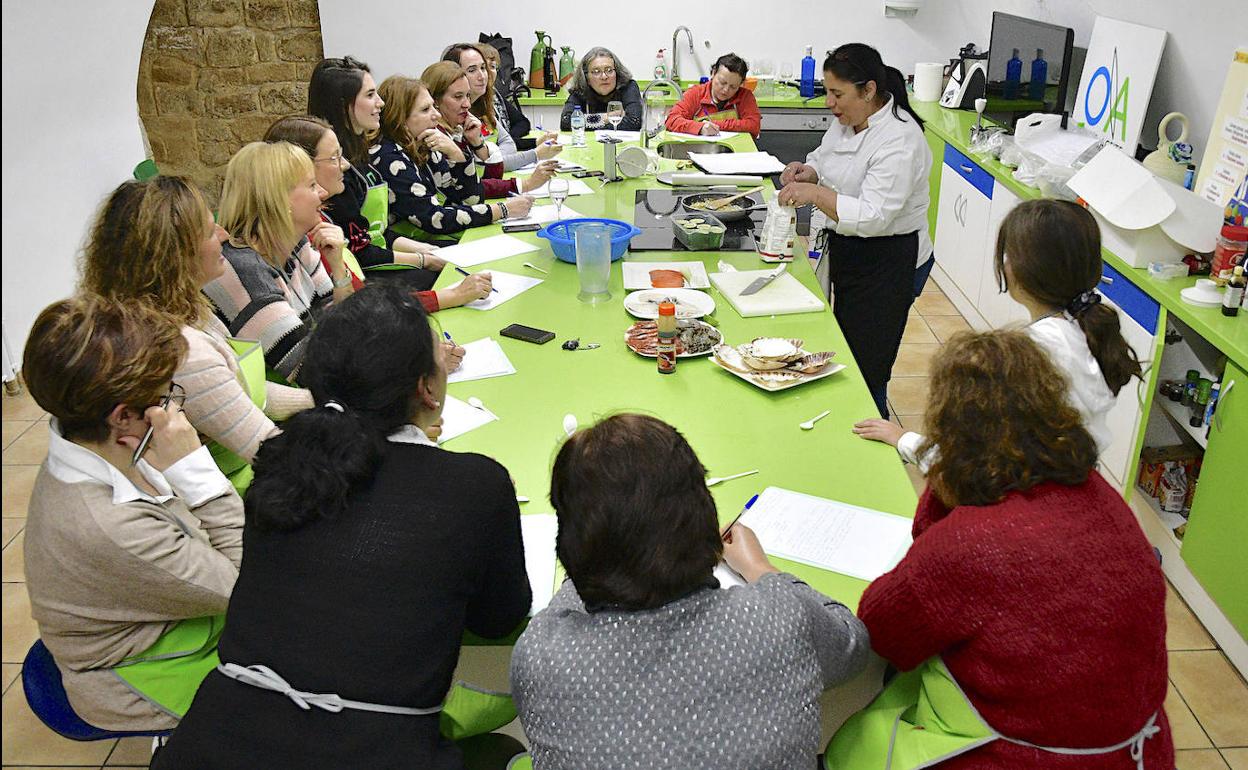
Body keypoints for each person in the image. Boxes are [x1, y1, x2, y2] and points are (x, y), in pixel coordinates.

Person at [153, 285, 531, 770]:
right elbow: (500, 619)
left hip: (212, 743)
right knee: (504, 751)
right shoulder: (474, 483)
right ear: (426, 389)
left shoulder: (280, 463)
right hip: (365, 750)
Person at [825, 330, 1173, 770]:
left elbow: (884, 630)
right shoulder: (1098, 492)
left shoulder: (972, 541)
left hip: (1022, 755)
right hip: (1138, 749)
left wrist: (944, 487)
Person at [511, 413, 870, 770]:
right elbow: (852, 644)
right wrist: (761, 569)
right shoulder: (780, 616)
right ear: (704, 514)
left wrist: (594, 567)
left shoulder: (541, 654)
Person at [22, 296, 242, 731]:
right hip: (132, 675)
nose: (174, 408)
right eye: (165, 397)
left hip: (160, 618)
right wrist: (197, 472)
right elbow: (246, 585)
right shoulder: (106, 525)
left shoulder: (95, 441)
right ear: (123, 417)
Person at [854, 199, 1138, 472]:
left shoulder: (1027, 355)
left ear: (1023, 269)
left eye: (1007, 255)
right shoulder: (1084, 328)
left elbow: (969, 465)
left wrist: (904, 440)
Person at [79, 176, 314, 489]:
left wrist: (321, 399)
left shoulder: (177, 309)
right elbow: (271, 452)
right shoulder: (183, 352)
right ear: (174, 257)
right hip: (234, 493)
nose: (224, 234)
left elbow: (238, 395)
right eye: (208, 231)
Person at [777, 43, 931, 418]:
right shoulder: (848, 120)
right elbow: (826, 158)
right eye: (828, 92)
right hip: (853, 250)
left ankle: (875, 447)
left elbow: (875, 215)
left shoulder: (900, 141)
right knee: (843, 348)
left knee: (867, 367)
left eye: (837, 93)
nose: (830, 102)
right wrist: (809, 171)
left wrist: (815, 192)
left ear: (869, 90)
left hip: (890, 259)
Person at [264, 114, 492, 314]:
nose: (344, 165)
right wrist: (450, 294)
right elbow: (360, 309)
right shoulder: (306, 233)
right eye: (334, 158)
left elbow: (349, 304)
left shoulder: (316, 224)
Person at [203, 141, 351, 385]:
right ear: (280, 200)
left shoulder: (298, 242)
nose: (323, 193)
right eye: (312, 185)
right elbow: (308, 370)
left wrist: (338, 267)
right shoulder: (242, 269)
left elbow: (343, 319)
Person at [306, 56, 445, 289]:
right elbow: (359, 249)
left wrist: (425, 251)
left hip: (379, 256)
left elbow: (374, 232)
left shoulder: (360, 154)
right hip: (363, 273)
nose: (380, 103)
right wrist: (423, 260)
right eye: (370, 95)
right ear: (343, 105)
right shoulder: (334, 172)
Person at [370, 75, 533, 242]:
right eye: (425, 110)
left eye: (434, 107)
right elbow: (435, 219)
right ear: (400, 119)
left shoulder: (426, 143)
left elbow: (471, 200)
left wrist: (457, 155)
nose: (436, 115)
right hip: (414, 245)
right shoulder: (388, 157)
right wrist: (502, 210)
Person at [422, 61, 553, 198]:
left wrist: (478, 144)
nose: (467, 104)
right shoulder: (434, 139)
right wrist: (525, 184)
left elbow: (492, 178)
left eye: (467, 95)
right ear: (434, 101)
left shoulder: (458, 130)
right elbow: (469, 192)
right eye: (458, 97)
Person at [443, 42, 562, 171]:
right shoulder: (456, 114)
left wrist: (495, 157)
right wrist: (536, 154)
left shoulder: (484, 103)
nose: (482, 76)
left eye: (483, 68)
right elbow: (485, 167)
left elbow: (508, 142)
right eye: (472, 70)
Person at [665, 53, 761, 138]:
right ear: (713, 73)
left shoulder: (745, 96)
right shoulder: (696, 94)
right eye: (722, 82)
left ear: (741, 84)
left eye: (733, 87)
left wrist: (714, 124)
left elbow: (753, 126)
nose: (726, 90)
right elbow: (672, 120)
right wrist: (700, 127)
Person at [559, 47, 642, 131]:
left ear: (617, 72)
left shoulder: (628, 86)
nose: (604, 76)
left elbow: (634, 121)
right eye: (596, 71)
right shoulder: (580, 90)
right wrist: (607, 117)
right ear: (586, 76)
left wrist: (586, 121)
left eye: (609, 70)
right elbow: (566, 122)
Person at [478, 42, 533, 149]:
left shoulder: (494, 94)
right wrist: (536, 142)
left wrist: (508, 140)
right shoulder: (474, 103)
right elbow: (493, 145)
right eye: (483, 67)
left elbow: (522, 122)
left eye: (493, 67)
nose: (489, 72)